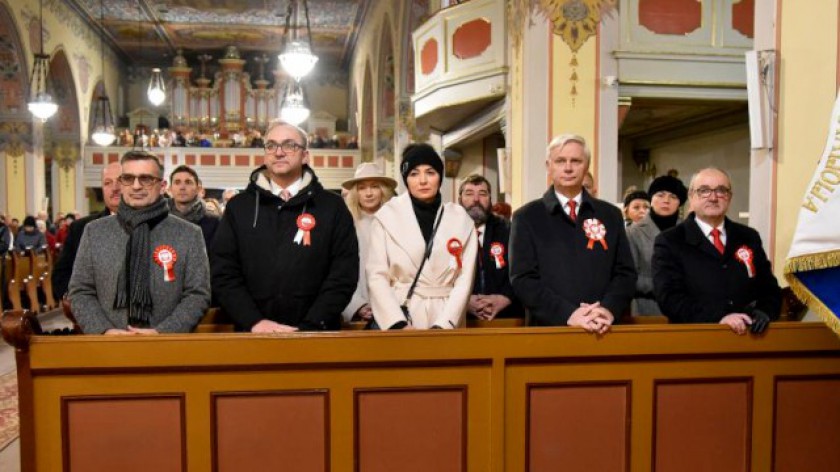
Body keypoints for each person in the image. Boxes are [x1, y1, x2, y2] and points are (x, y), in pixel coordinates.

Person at [211, 119, 359, 333]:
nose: (279, 152)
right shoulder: (239, 207)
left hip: (317, 334)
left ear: (305, 155)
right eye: (271, 145)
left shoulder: (332, 207)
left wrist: (311, 326)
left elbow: (343, 275)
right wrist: (253, 321)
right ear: (264, 154)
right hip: (252, 334)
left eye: (289, 145)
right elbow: (223, 272)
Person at [68, 150, 210, 334]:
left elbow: (198, 294)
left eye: (146, 179)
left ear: (162, 185)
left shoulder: (190, 234)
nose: (136, 186)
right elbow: (80, 291)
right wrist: (103, 330)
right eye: (128, 178)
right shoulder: (94, 232)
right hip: (108, 348)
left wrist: (163, 332)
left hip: (168, 348)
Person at [510, 134, 636, 333]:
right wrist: (568, 314)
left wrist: (607, 309)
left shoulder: (610, 215)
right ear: (549, 166)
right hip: (549, 330)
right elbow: (523, 279)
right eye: (560, 161)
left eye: (576, 161)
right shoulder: (526, 217)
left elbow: (625, 273)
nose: (568, 168)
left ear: (586, 166)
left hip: (603, 327)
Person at [653, 167, 781, 335]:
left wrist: (765, 312)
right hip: (695, 338)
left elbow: (769, 287)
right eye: (704, 191)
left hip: (749, 338)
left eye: (721, 190)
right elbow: (669, 298)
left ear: (729, 197)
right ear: (691, 197)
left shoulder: (748, 237)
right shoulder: (670, 240)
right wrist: (719, 318)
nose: (713, 197)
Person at [367, 143, 477, 330]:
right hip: (403, 313)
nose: (423, 180)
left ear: (440, 177)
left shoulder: (460, 219)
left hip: (447, 313)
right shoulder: (387, 216)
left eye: (430, 172)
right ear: (406, 179)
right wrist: (396, 323)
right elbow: (376, 275)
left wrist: (445, 324)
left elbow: (465, 279)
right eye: (414, 174)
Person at [53, 162, 123, 300]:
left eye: (120, 181)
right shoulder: (81, 228)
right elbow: (60, 277)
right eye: (107, 183)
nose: (115, 188)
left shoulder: (149, 224)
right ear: (102, 188)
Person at [458, 174, 522, 320]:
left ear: (490, 200)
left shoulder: (509, 230)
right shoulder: (446, 232)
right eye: (469, 193)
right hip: (460, 318)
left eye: (482, 194)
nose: (476, 199)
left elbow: (523, 270)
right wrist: (464, 301)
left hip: (507, 316)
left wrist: (506, 298)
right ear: (459, 199)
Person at [341, 163, 397, 323]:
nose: (369, 193)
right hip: (359, 311)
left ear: (384, 191)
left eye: (374, 186)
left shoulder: (397, 223)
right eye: (362, 188)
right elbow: (336, 270)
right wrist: (356, 305)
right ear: (354, 193)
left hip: (396, 308)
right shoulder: (345, 224)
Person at [626, 175, 687, 315]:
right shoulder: (633, 232)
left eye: (673, 197)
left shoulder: (687, 231)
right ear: (651, 199)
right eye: (660, 195)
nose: (666, 200)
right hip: (647, 308)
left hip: (683, 309)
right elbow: (629, 276)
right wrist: (665, 285)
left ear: (680, 203)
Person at [168, 165, 220, 248]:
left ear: (198, 189)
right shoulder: (159, 219)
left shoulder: (213, 221)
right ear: (170, 189)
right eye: (177, 182)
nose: (182, 187)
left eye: (188, 182)